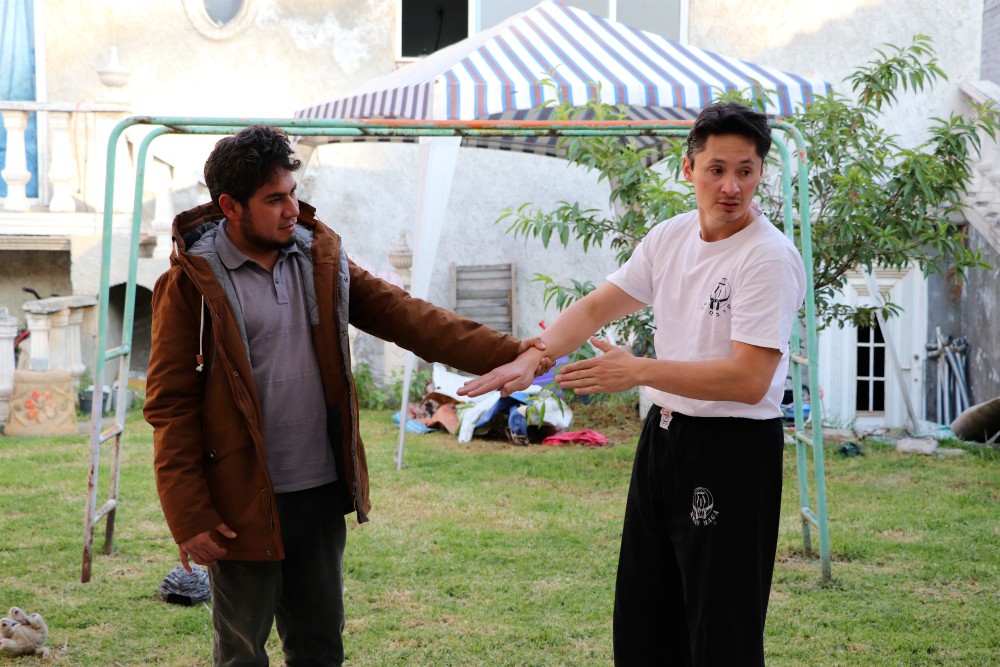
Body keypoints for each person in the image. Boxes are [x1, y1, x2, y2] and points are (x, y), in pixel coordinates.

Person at [143, 124, 548, 666]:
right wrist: (188, 512)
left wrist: (511, 352)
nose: (293, 208)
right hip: (239, 499)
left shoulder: (319, 258)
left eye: (292, 192)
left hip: (318, 488)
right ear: (230, 207)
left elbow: (409, 317)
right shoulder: (190, 283)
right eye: (274, 199)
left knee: (319, 648)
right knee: (241, 654)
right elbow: (170, 404)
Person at [458, 101, 806, 665]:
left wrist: (639, 369)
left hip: (732, 450)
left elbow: (749, 379)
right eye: (717, 169)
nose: (731, 186)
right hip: (664, 439)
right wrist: (536, 357)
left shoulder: (767, 257)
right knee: (645, 616)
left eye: (746, 170)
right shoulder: (670, 237)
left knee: (720, 630)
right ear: (689, 168)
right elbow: (599, 305)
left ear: (762, 173)